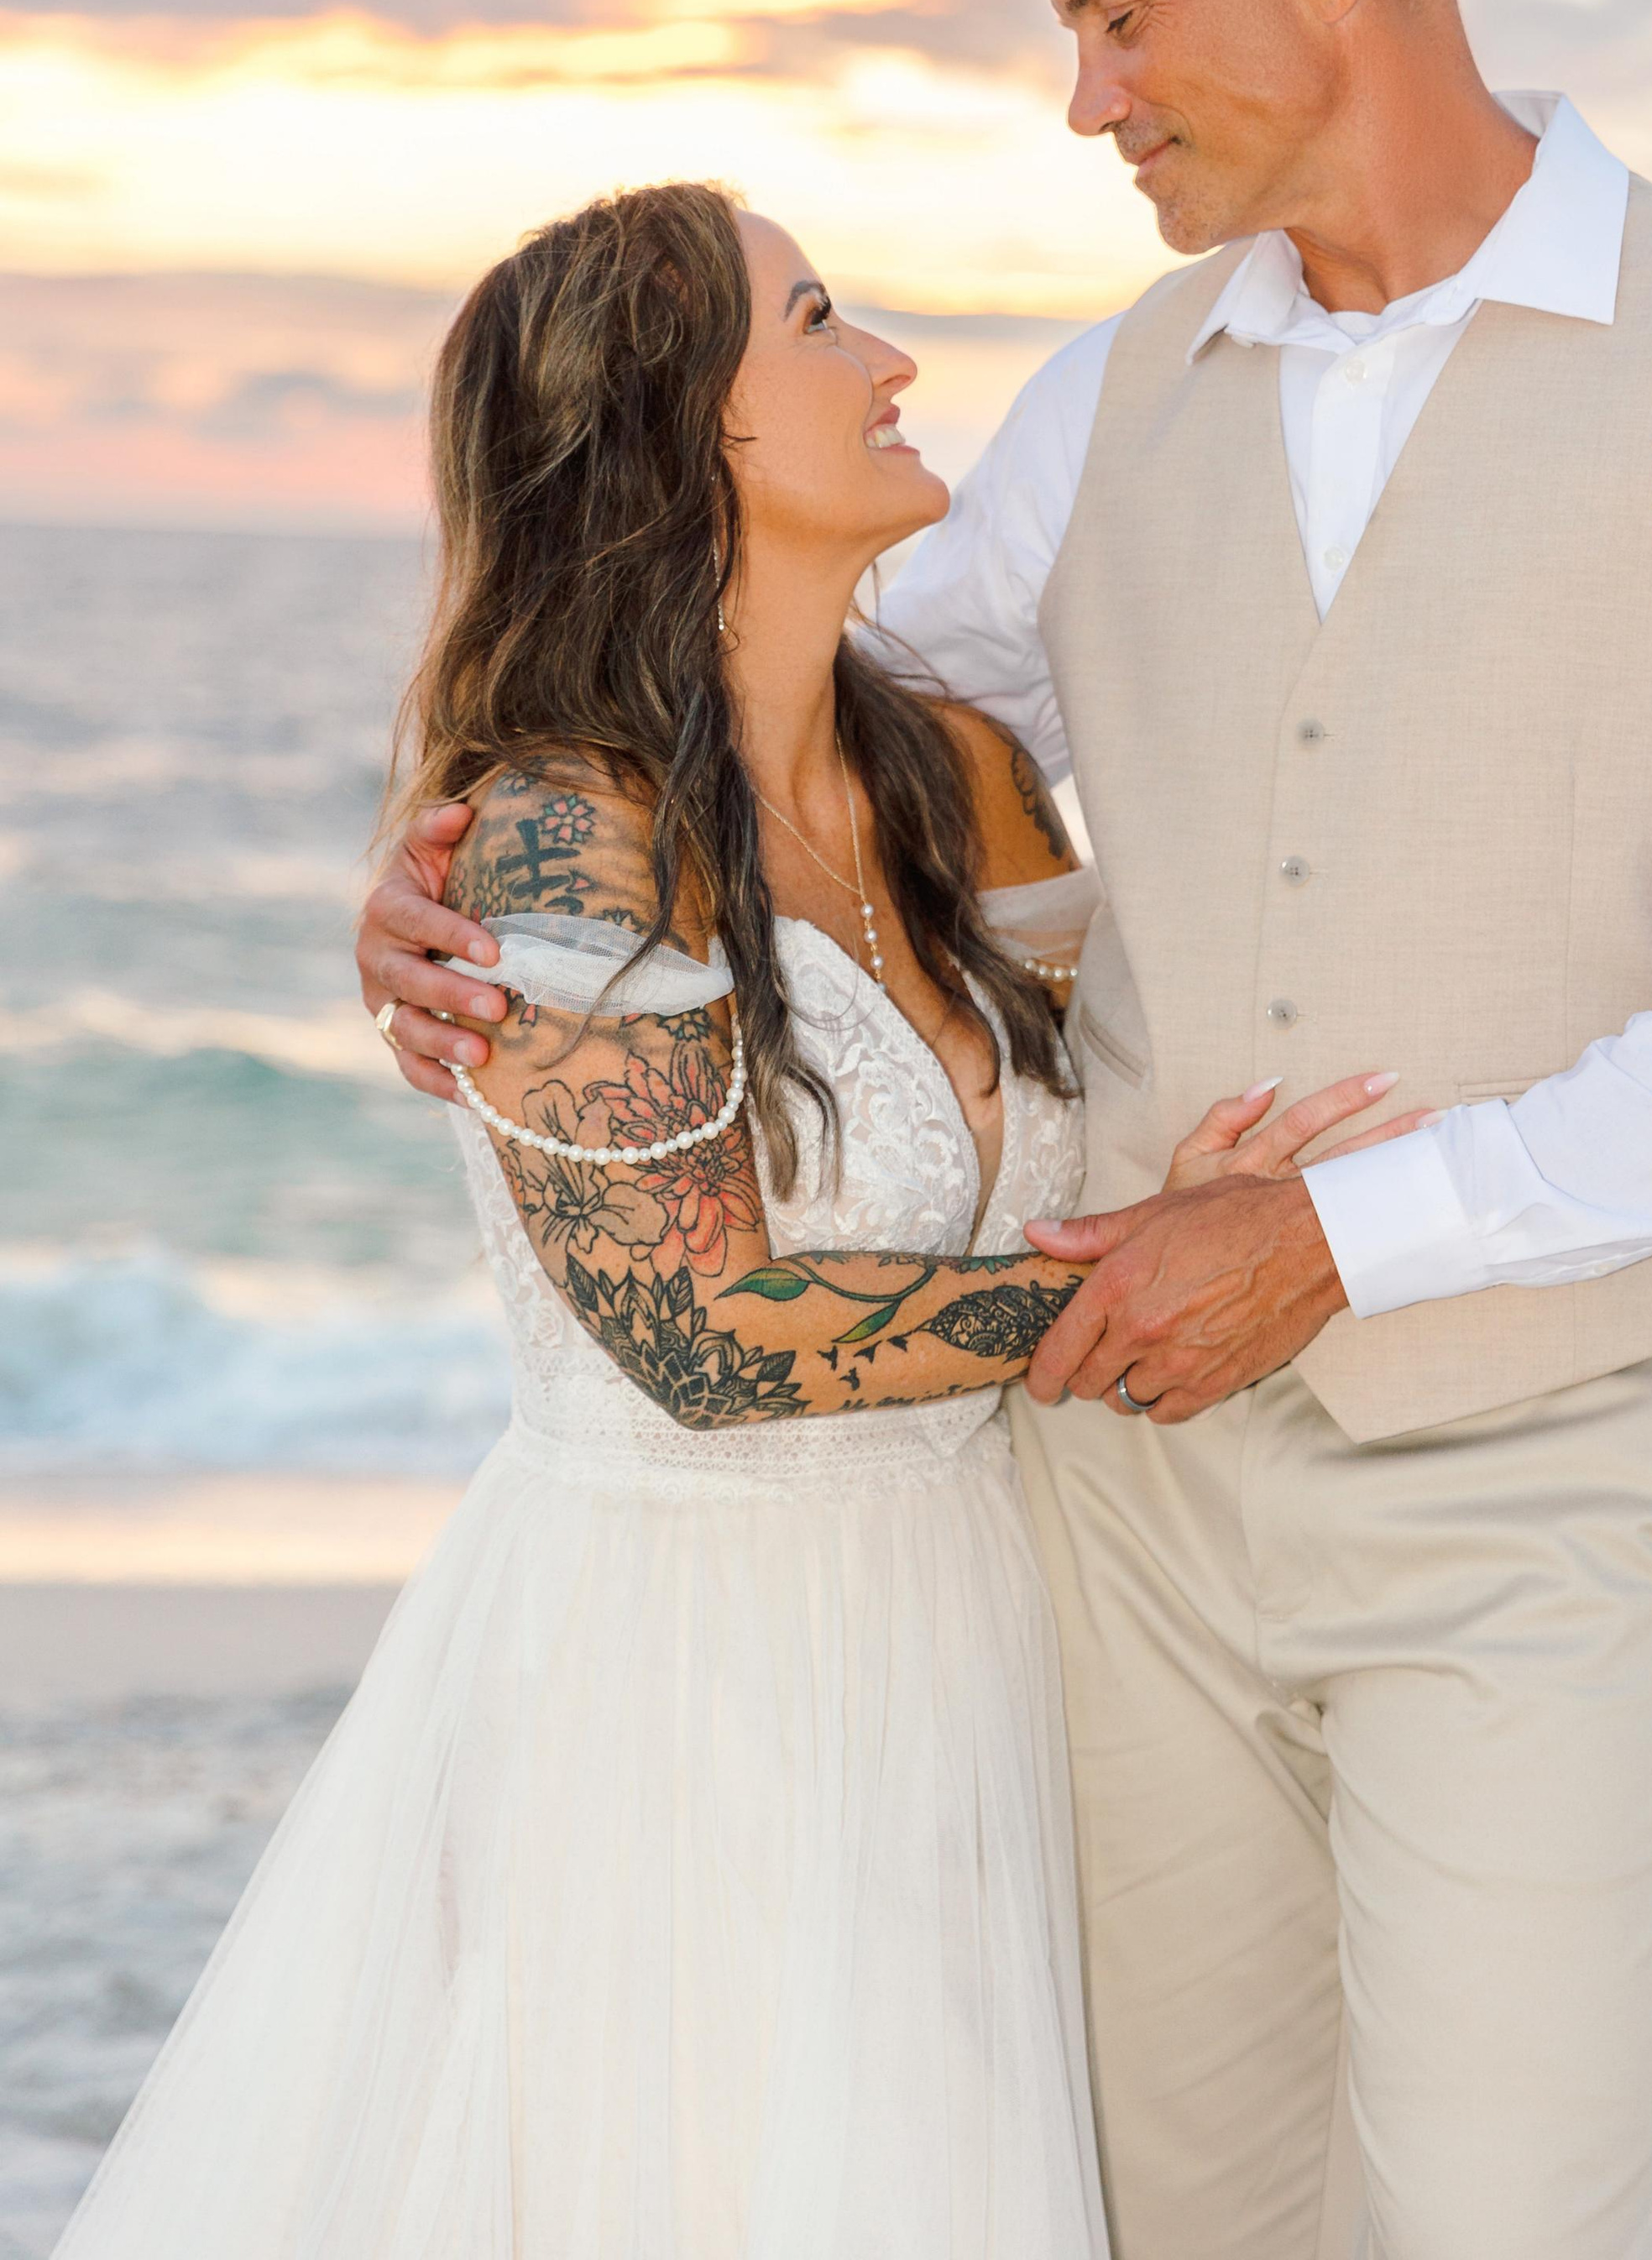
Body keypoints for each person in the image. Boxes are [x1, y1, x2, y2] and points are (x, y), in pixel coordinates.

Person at [361, 0, 1652, 2260]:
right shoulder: (1120, 391)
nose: (1082, 98)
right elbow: (759, 685)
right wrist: (461, 860)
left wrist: (1345, 1243)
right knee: (1173, 2216)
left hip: (1529, 1485)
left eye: (1118, 14)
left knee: (1511, 2217)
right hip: (1111, 1512)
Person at [63, 177, 1411, 2260]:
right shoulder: (550, 835)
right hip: (677, 1668)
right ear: (679, 427)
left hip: (969, 1627)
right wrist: (1161, 1285)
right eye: (817, 320)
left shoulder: (957, 773)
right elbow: (698, 1331)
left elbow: (1100, 1080)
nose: (883, 360)